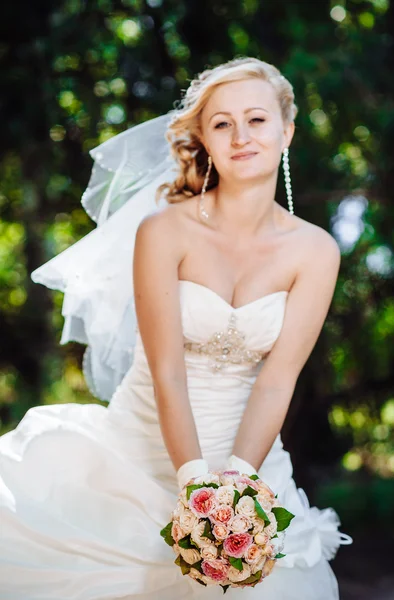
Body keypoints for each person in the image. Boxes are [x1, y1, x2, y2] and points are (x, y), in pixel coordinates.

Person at [0, 56, 352, 599]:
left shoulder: (316, 250)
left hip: (252, 456)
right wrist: (195, 486)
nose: (241, 136)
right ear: (205, 142)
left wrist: (237, 488)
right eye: (221, 124)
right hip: (146, 449)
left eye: (257, 120)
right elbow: (167, 370)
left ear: (287, 131)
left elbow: (278, 379)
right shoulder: (163, 232)